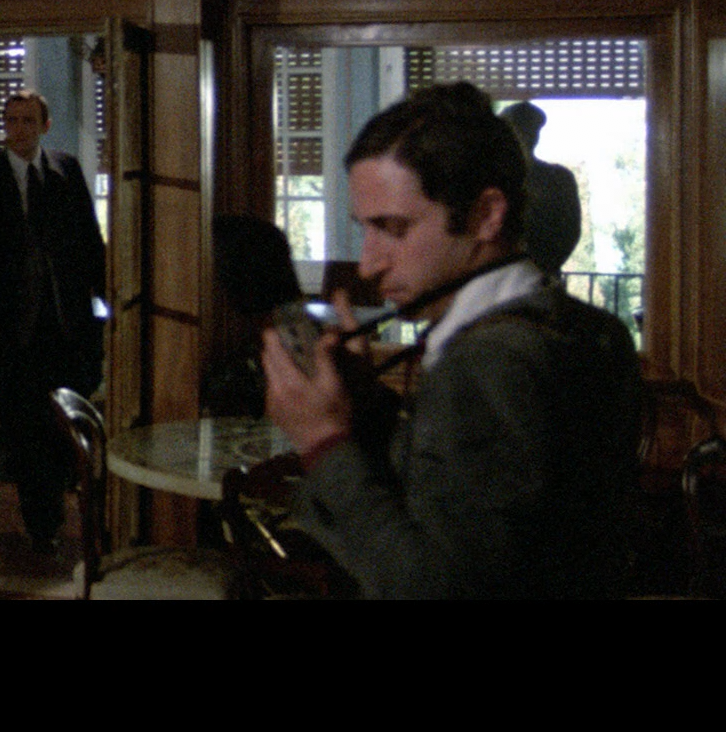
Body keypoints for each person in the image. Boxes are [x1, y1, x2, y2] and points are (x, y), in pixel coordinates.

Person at [262, 82, 641, 599]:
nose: (369, 265)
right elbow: (468, 501)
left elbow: (433, 587)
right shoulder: (593, 329)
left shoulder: (488, 361)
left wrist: (323, 442)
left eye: (393, 229)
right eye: (366, 230)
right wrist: (365, 406)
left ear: (487, 215)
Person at [0, 88, 105, 550]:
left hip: (63, 325)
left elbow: (90, 241)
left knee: (61, 425)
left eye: (27, 120)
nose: (18, 129)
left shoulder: (66, 171)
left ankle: (56, 511)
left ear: (44, 126)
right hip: (11, 332)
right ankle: (41, 524)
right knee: (25, 431)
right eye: (11, 120)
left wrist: (107, 301)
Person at [501, 100, 582, 274]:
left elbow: (569, 233)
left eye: (530, 130)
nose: (527, 136)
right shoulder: (559, 178)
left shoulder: (559, 178)